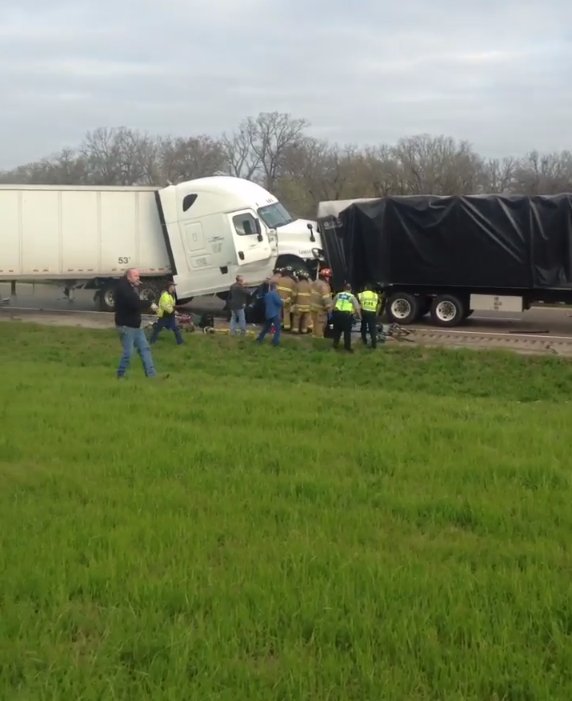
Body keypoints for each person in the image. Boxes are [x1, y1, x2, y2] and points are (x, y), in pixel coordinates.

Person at [114, 268, 158, 378]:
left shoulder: (131, 287)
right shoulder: (123, 288)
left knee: (145, 349)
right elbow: (134, 303)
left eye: (138, 276)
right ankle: (120, 374)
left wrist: (135, 287)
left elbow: (135, 300)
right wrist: (149, 304)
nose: (138, 278)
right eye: (135, 276)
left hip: (136, 326)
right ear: (128, 277)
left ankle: (151, 375)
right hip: (126, 326)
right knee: (128, 353)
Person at [149, 281, 184, 345]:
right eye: (173, 286)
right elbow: (166, 306)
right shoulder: (165, 296)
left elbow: (171, 304)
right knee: (158, 329)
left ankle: (180, 342)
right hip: (164, 316)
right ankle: (152, 341)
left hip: (170, 316)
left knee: (176, 329)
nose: (174, 287)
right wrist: (174, 311)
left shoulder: (172, 294)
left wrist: (175, 308)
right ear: (170, 287)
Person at [331, 283, 361, 352]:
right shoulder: (352, 296)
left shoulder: (338, 295)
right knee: (347, 332)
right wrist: (359, 317)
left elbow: (332, 304)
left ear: (344, 289)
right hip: (346, 316)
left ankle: (335, 345)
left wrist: (331, 314)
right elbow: (357, 308)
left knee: (337, 331)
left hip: (337, 314)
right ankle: (347, 347)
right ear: (350, 289)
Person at [310, 268, 333, 338]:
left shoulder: (315, 283)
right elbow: (326, 299)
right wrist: (330, 310)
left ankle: (314, 340)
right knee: (320, 326)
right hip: (320, 311)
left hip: (312, 309)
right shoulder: (324, 286)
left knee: (314, 327)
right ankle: (319, 343)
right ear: (326, 277)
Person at [358, 283, 381, 348]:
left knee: (363, 326)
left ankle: (364, 340)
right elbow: (378, 304)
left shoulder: (361, 294)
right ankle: (374, 344)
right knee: (372, 328)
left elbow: (358, 303)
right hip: (372, 312)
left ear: (365, 288)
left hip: (364, 312)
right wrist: (376, 312)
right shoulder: (375, 295)